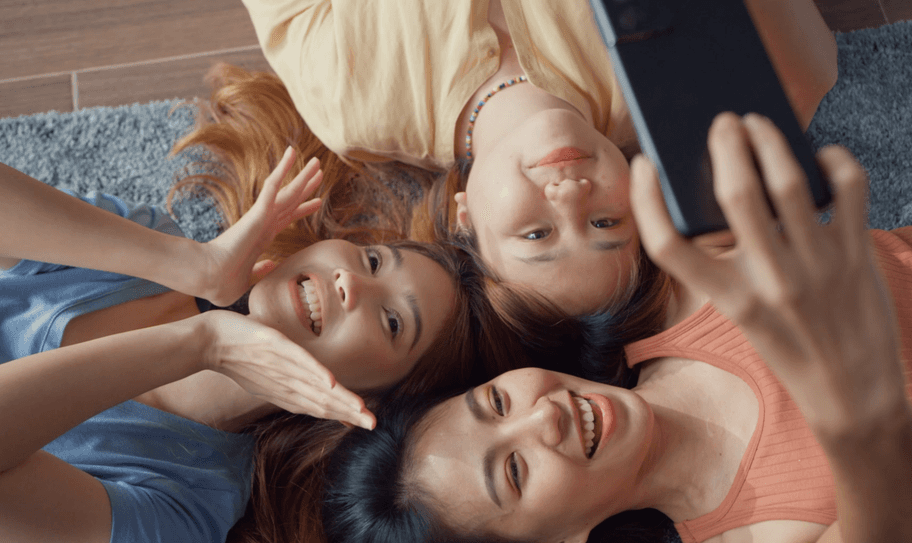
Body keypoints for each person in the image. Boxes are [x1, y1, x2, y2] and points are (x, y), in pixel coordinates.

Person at [318, 112, 912, 543]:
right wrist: (854, 405)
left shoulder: (655, 297)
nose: (543, 418)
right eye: (515, 473)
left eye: (497, 401)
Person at [0, 147, 531, 543]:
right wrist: (192, 263)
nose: (351, 282)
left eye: (392, 321)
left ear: (364, 403)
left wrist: (204, 343)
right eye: (372, 259)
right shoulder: (143, 247)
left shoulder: (185, 518)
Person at [194, 0, 839, 315]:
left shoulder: (353, 107)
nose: (570, 197)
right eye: (606, 224)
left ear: (464, 214)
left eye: (538, 234)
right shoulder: (666, 60)